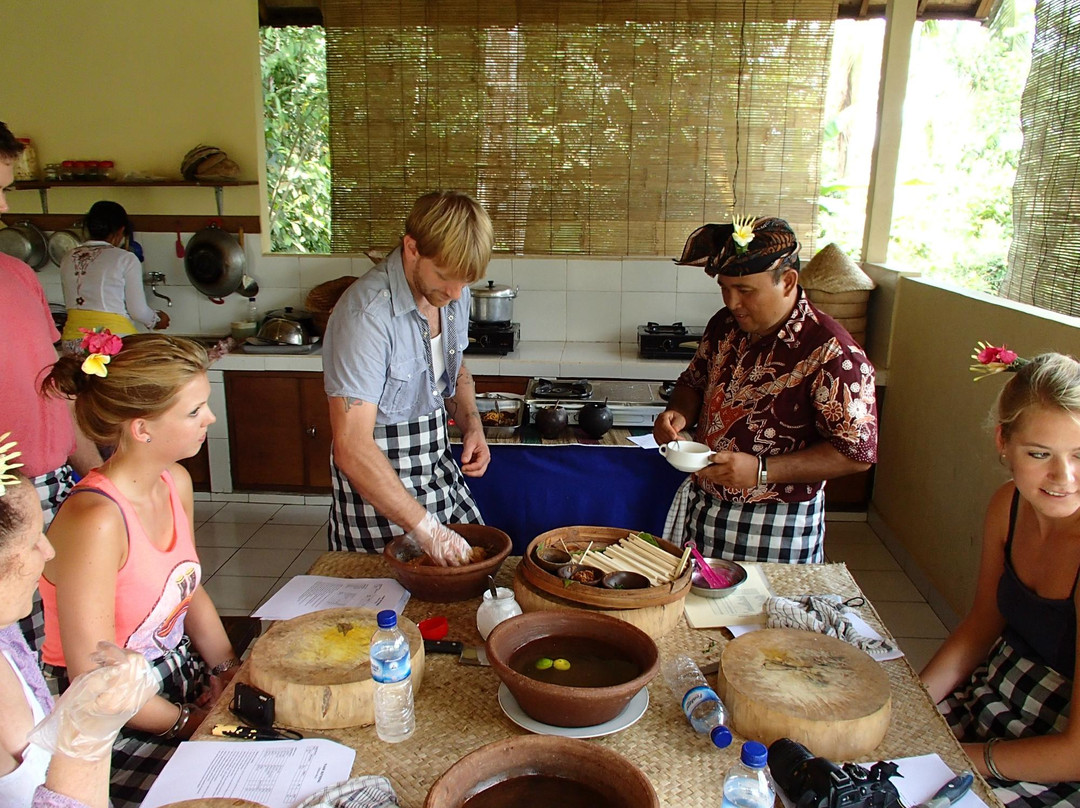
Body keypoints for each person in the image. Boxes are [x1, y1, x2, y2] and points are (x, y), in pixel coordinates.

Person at [38, 332, 240, 808]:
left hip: (176, 681)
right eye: (194, 411)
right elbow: (96, 679)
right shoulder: (97, 519)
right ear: (141, 429)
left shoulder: (175, 480)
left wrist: (229, 669)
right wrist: (186, 723)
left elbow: (188, 591)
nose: (209, 418)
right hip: (113, 722)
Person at [653, 216, 877, 563]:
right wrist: (678, 413)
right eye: (725, 288)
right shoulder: (724, 326)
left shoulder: (833, 354)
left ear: (787, 282)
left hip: (778, 522)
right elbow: (693, 382)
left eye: (745, 291)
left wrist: (761, 471)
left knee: (765, 615)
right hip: (705, 507)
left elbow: (855, 454)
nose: (732, 302)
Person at [921, 349, 1080, 807]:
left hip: (1052, 750)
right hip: (994, 698)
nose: (1063, 476)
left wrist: (951, 758)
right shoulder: (1008, 505)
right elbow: (982, 622)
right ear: (1003, 443)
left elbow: (1075, 753)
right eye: (1039, 453)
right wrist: (908, 702)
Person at [322, 190, 494, 563]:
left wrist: (471, 424)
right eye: (446, 278)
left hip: (438, 469)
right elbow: (351, 446)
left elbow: (453, 366)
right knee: (389, 607)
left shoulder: (451, 294)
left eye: (465, 282)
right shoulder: (366, 315)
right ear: (411, 248)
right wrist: (427, 529)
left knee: (476, 573)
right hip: (379, 490)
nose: (455, 293)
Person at [0, 451, 156, 808]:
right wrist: (86, 739)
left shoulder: (6, 636)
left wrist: (89, 701)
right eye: (33, 539)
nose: (49, 551)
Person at [0, 122, 103, 654]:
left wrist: (97, 473)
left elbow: (53, 393)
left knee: (62, 648)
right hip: (5, 506)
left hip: (57, 488)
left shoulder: (17, 276)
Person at [59, 200, 169, 351]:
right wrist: (156, 320)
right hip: (110, 342)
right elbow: (137, 310)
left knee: (81, 376)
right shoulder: (125, 258)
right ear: (121, 231)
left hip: (72, 343)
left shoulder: (69, 256)